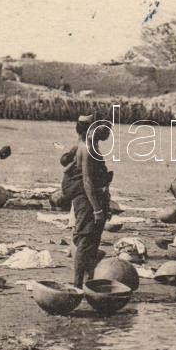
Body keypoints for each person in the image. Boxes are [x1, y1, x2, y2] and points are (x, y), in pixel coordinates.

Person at [71, 114, 113, 287]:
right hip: (88, 200)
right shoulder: (87, 149)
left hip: (94, 197)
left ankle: (88, 281)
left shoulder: (88, 146)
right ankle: (77, 284)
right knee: (86, 241)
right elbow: (87, 181)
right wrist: (97, 209)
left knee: (92, 241)